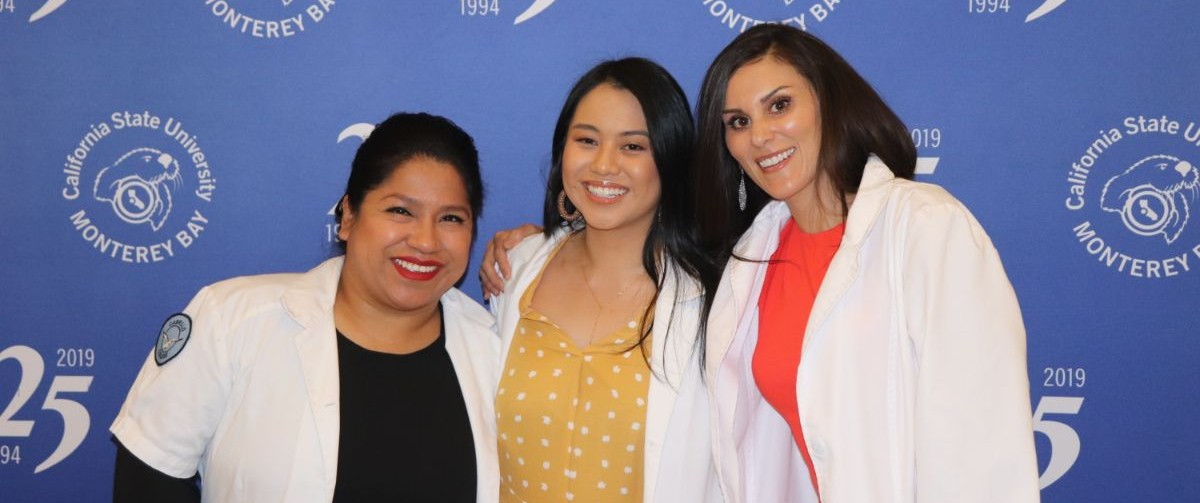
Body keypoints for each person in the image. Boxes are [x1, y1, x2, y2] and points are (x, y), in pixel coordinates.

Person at [693, 24, 1041, 502]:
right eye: (737, 121)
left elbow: (980, 445)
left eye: (779, 106)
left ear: (827, 102)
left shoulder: (927, 227)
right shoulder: (749, 264)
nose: (760, 136)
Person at [111, 112, 501, 503]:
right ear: (348, 216)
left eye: (451, 218)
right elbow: (148, 479)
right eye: (400, 211)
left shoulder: (494, 349)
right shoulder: (232, 320)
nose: (426, 241)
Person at [482, 57, 723, 503]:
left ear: (670, 160)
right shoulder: (516, 270)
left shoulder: (715, 300)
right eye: (587, 140)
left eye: (633, 146)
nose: (604, 165)